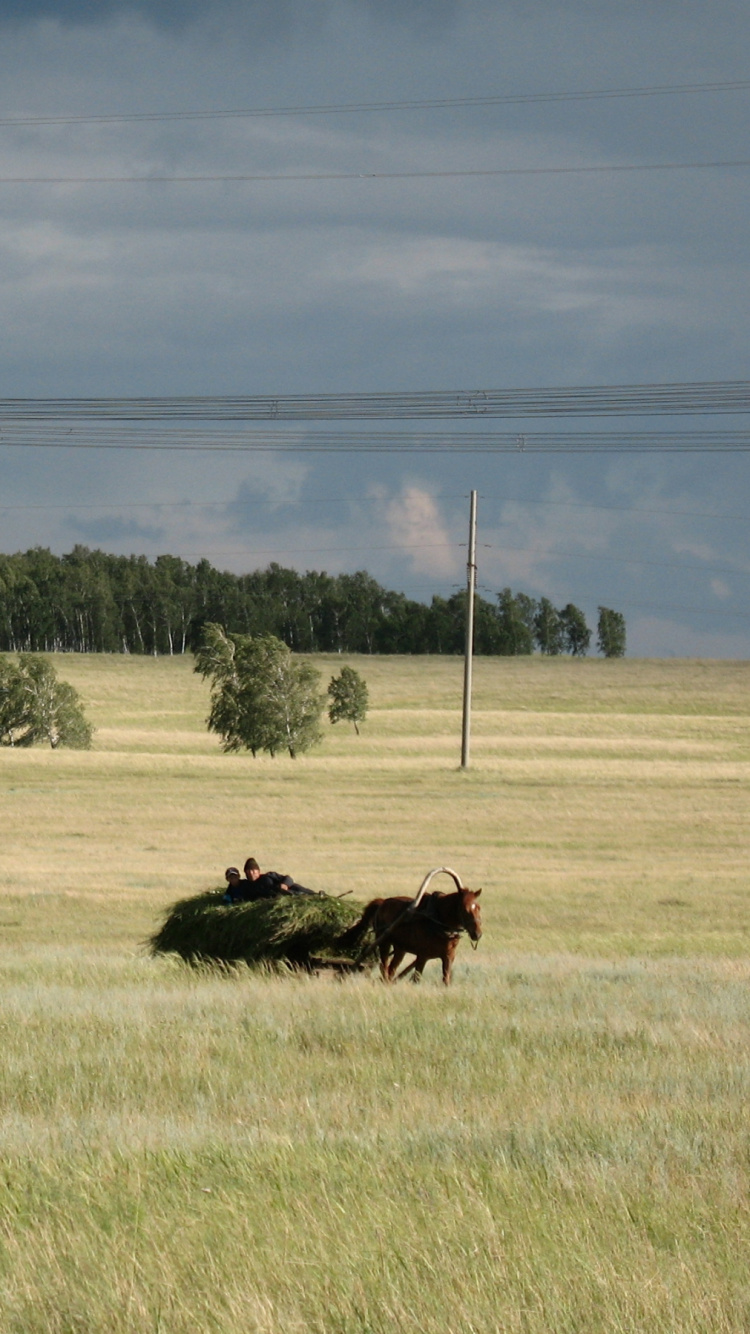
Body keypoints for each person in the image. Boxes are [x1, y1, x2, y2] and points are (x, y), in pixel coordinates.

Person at [243, 857, 317, 897]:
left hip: (289, 889)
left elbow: (288, 878)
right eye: (248, 871)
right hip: (278, 897)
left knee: (299, 889)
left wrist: (284, 884)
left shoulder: (268, 876)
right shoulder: (247, 886)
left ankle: (318, 896)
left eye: (253, 870)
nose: (251, 873)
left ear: (258, 871)